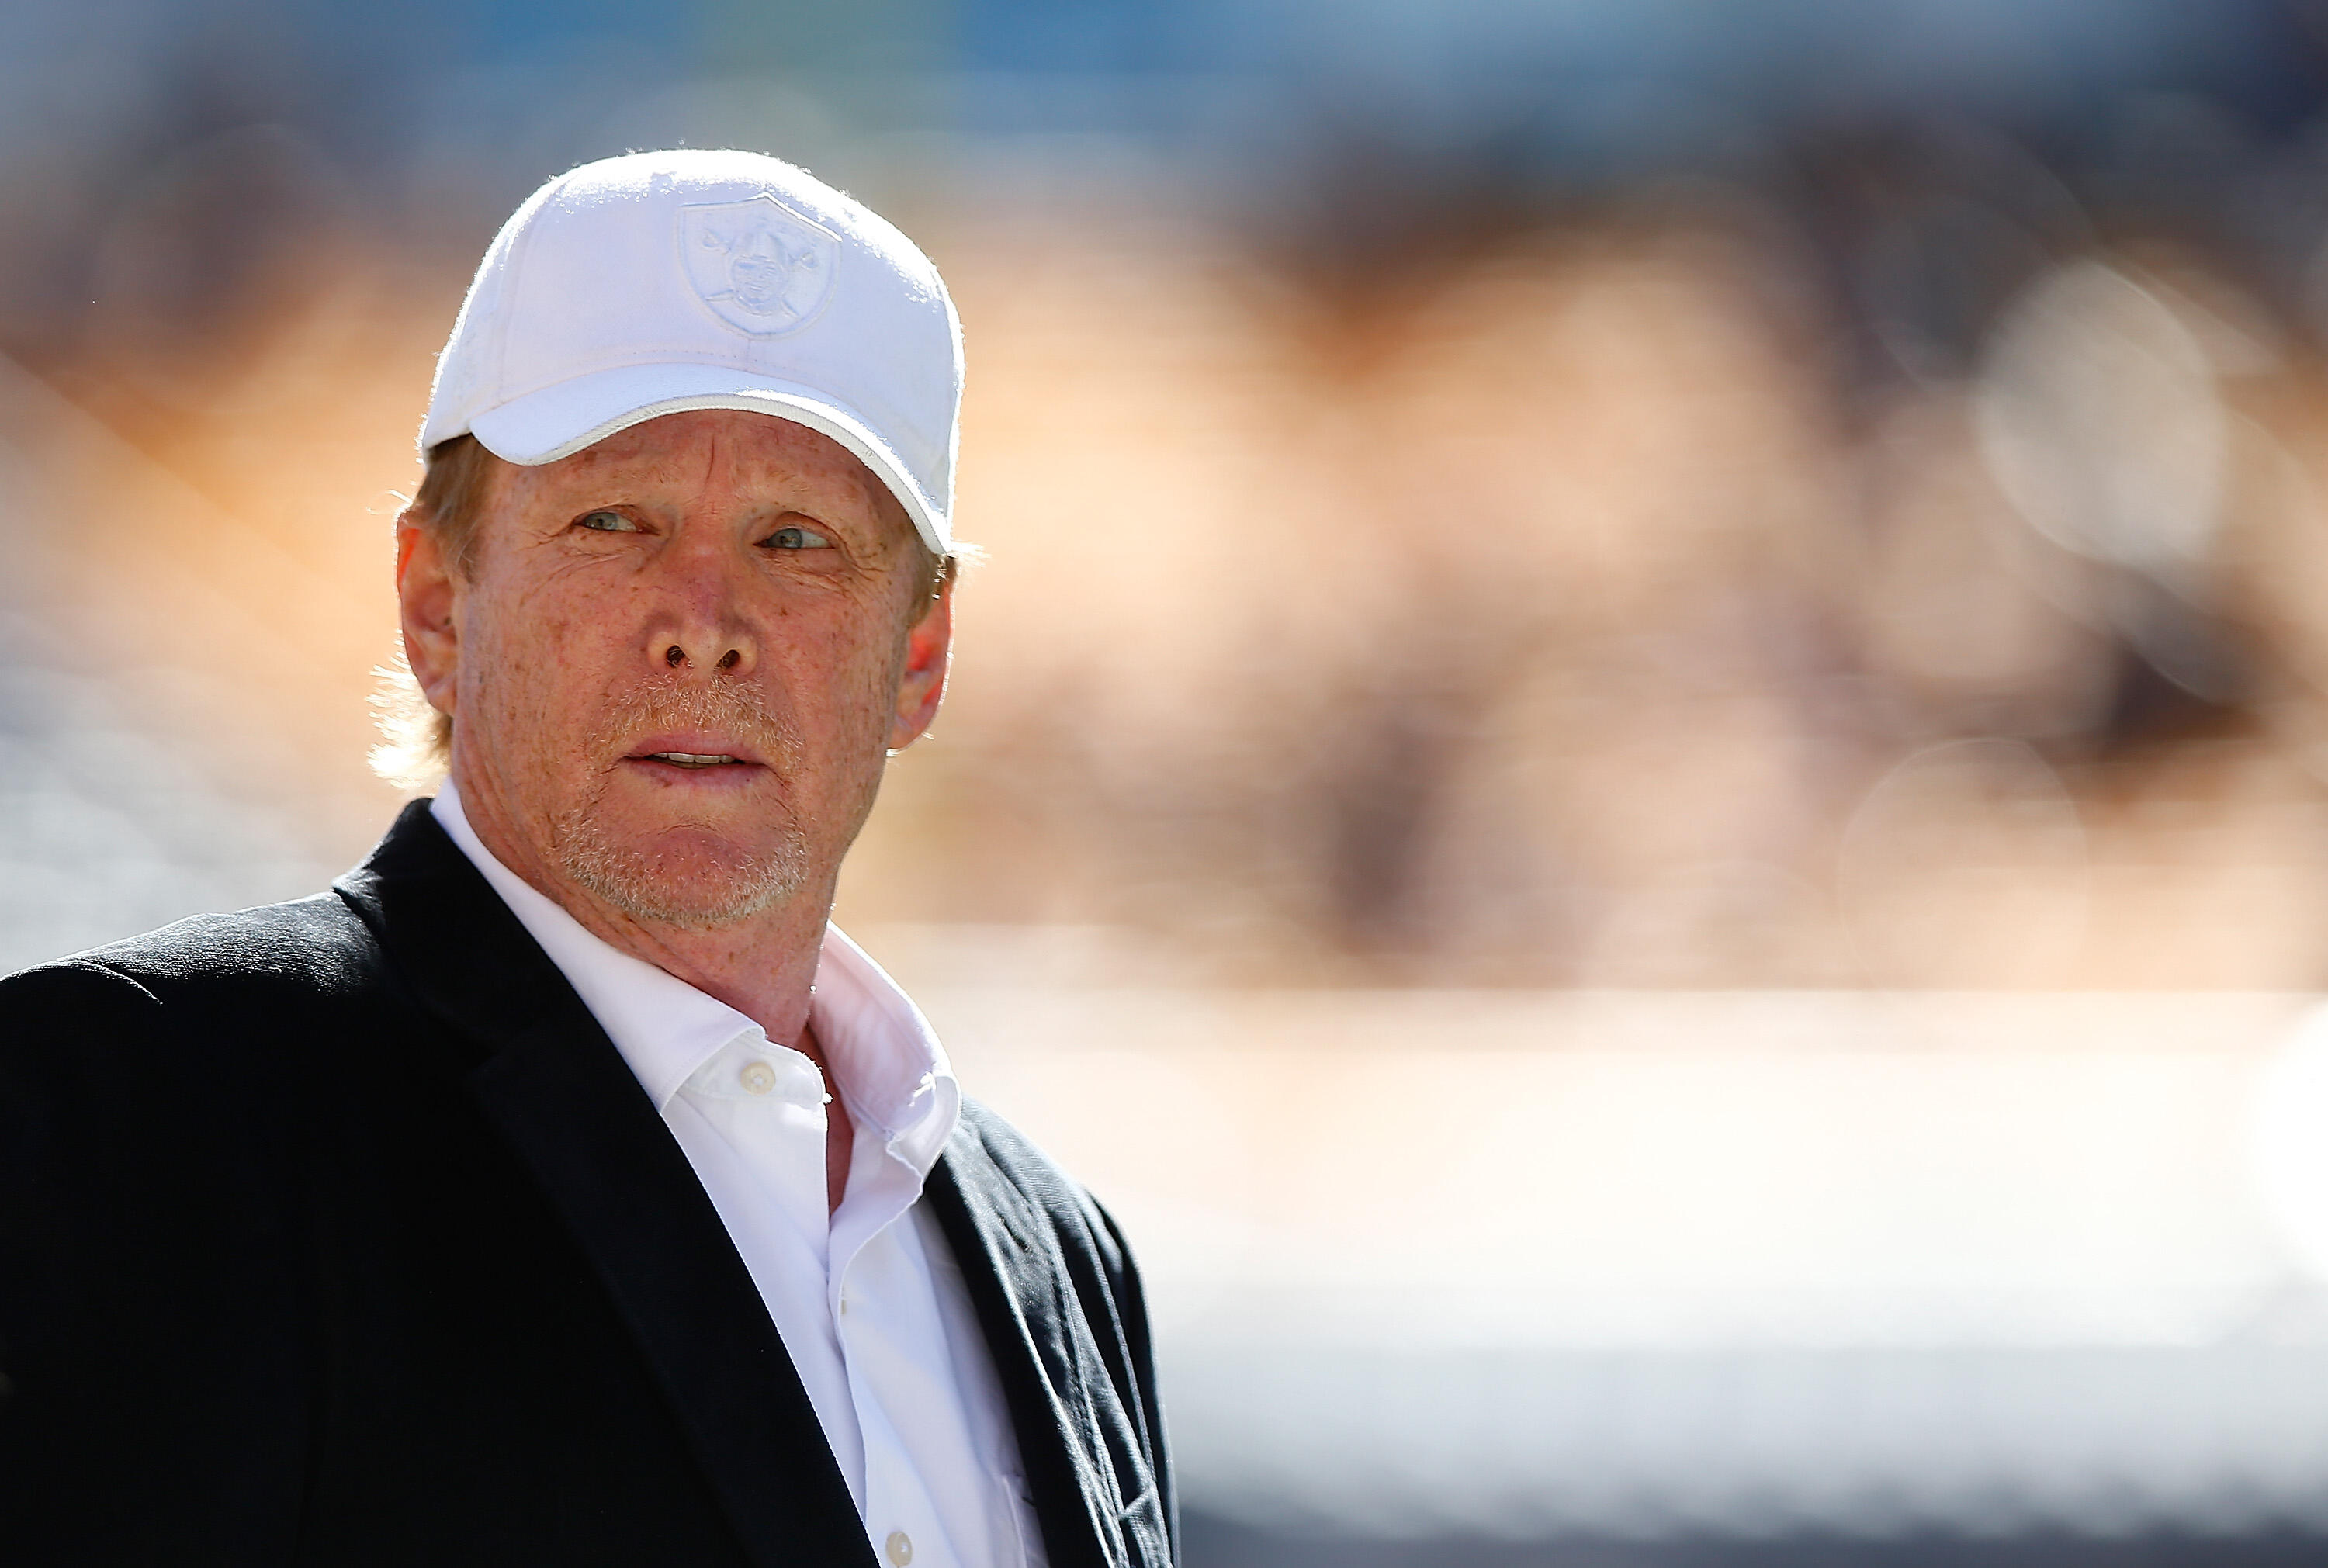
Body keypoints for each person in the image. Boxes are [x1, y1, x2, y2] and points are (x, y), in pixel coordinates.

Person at [0, 149, 1174, 1568]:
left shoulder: (1059, 1254)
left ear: (917, 657)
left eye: (796, 540)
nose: (703, 620)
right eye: (614, 520)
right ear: (436, 604)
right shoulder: (142, 1109)